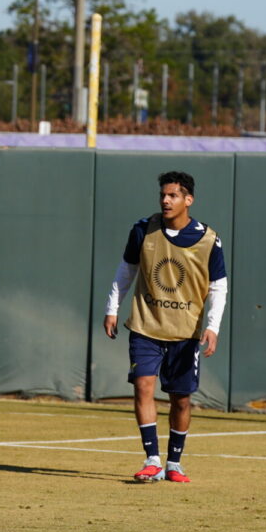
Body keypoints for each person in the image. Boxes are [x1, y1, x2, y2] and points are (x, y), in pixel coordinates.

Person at [103, 171, 228, 484]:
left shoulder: (208, 238)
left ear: (189, 200)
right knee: (143, 385)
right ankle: (152, 459)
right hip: (146, 326)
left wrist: (212, 326)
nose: (165, 200)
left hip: (186, 334)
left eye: (173, 195)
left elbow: (219, 287)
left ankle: (174, 462)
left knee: (180, 399)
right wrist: (112, 308)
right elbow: (126, 271)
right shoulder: (143, 230)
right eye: (163, 195)